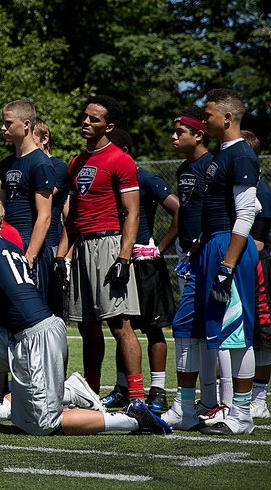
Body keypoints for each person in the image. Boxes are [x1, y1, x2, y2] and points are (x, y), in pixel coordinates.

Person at [0, 192, 170, 436]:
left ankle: (130, 419)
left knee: (45, 424)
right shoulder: (10, 247)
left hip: (35, 336)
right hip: (33, 332)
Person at [56, 95, 144, 404]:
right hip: (81, 246)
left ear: (109, 125)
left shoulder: (120, 159)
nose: (86, 122)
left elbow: (131, 212)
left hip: (109, 244)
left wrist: (123, 255)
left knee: (121, 326)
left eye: (94, 119)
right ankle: (90, 395)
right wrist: (60, 255)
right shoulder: (76, 162)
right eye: (85, 116)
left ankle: (137, 398)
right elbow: (72, 216)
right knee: (87, 327)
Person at [193, 89, 261, 436]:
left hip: (227, 247)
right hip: (213, 245)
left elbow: (247, 212)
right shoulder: (223, 153)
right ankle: (215, 406)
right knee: (216, 331)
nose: (203, 121)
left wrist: (227, 265)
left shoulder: (242, 156)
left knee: (237, 334)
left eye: (207, 115)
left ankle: (242, 415)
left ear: (227, 118)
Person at [103, 129, 179, 414]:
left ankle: (157, 390)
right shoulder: (108, 178)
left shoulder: (144, 177)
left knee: (153, 327)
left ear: (123, 150)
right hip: (119, 261)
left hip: (145, 262)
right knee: (122, 328)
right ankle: (123, 388)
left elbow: (178, 209)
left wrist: (159, 248)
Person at [162, 107, 216, 430]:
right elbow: (184, 212)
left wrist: (199, 246)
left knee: (209, 328)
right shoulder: (184, 168)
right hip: (190, 254)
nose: (174, 136)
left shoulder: (213, 165)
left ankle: (212, 401)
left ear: (199, 134)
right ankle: (205, 401)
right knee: (194, 328)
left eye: (180, 131)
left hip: (209, 252)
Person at [0, 100, 55, 293]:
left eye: (8, 123)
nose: (3, 127)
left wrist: (30, 256)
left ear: (26, 124)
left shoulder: (40, 163)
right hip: (8, 238)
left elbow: (45, 216)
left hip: (30, 242)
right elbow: (1, 208)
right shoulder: (5, 164)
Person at [242, 130, 271, 419]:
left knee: (261, 336)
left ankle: (260, 400)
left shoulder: (261, 192)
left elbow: (256, 243)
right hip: (238, 265)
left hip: (256, 268)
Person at [33, 119, 70, 315]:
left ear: (44, 138)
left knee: (51, 309)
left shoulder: (58, 167)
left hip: (50, 245)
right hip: (27, 241)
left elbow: (41, 196)